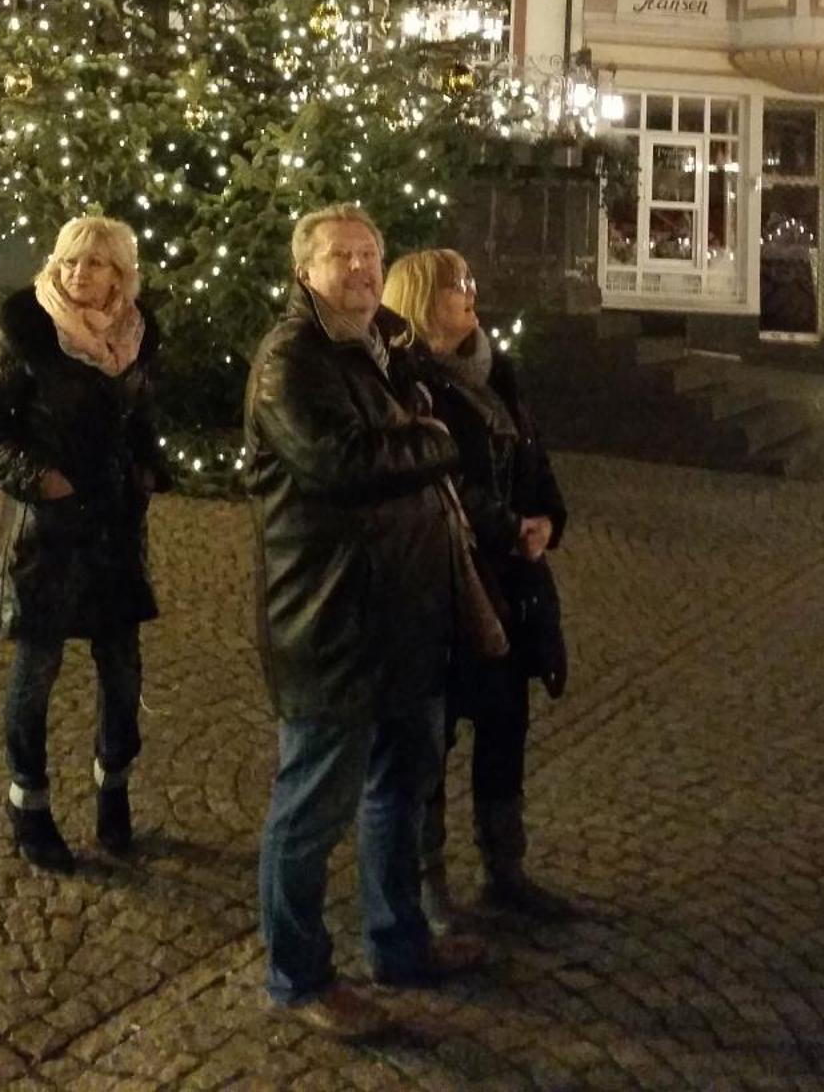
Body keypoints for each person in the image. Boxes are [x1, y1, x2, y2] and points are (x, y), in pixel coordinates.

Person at [245, 204, 486, 1037]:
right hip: (330, 616)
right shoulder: (290, 359)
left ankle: (398, 942)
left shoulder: (388, 343)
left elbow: (447, 417)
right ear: (304, 271)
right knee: (310, 807)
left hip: (406, 612)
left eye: (369, 253)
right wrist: (434, 439)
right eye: (340, 256)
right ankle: (298, 976)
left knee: (400, 788)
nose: (357, 267)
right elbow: (339, 463)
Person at [0, 215, 170, 873]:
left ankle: (113, 789)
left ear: (120, 274)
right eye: (71, 261)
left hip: (113, 532)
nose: (81, 274)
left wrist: (146, 466)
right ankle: (29, 803)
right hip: (47, 538)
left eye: (96, 264)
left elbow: (138, 417)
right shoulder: (27, 333)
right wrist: (43, 481)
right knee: (37, 673)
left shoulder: (136, 337)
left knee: (122, 675)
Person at [381, 247, 571, 923]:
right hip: (447, 584)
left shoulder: (499, 372)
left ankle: (505, 867)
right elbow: (441, 475)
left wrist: (546, 515)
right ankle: (428, 883)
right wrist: (504, 526)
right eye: (456, 285)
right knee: (433, 737)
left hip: (512, 583)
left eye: (468, 282)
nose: (471, 293)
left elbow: (532, 453)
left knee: (504, 725)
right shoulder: (408, 382)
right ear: (424, 299)